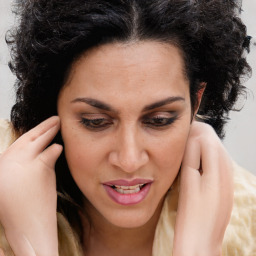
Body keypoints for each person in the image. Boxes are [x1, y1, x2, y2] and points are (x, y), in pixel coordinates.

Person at [0, 0, 255, 255]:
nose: (129, 160)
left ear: (196, 102)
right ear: (53, 106)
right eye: (95, 122)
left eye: (160, 120)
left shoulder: (249, 226)